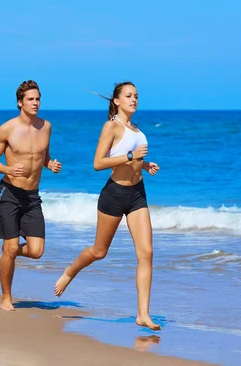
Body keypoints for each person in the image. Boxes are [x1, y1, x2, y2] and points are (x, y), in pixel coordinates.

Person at [54, 82, 162, 330]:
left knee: (146, 253)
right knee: (99, 252)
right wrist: (131, 157)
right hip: (114, 195)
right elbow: (98, 163)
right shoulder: (111, 126)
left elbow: (133, 159)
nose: (133, 99)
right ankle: (70, 271)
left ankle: (143, 314)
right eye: (128, 96)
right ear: (116, 101)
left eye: (136, 96)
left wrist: (144, 165)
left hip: (137, 194)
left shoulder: (136, 128)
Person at [0, 80, 62, 311]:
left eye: (38, 99)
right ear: (20, 102)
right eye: (30, 99)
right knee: (10, 247)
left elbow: (43, 156)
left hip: (32, 196)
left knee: (36, 251)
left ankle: (8, 252)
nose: (35, 103)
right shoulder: (7, 128)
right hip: (9, 192)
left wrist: (51, 164)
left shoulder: (46, 127)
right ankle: (6, 298)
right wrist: (8, 169)